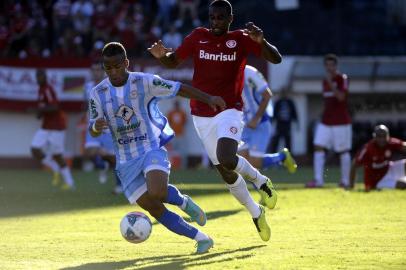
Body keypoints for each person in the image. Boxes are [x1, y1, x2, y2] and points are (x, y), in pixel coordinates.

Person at [148, 0, 282, 242]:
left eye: (221, 17)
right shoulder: (198, 37)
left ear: (231, 18)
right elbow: (173, 60)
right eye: (213, 17)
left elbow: (276, 59)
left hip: (229, 109)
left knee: (228, 157)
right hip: (201, 113)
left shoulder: (241, 38)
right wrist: (162, 55)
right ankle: (255, 211)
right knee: (226, 172)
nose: (216, 21)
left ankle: (261, 180)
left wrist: (263, 41)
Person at [90, 42, 226, 253]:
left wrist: (209, 99)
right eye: (109, 68)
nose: (114, 72)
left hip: (149, 148)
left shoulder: (144, 82)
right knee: (154, 208)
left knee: (158, 192)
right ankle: (201, 238)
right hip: (125, 161)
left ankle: (183, 202)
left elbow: (178, 88)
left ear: (126, 63)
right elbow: (93, 129)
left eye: (117, 66)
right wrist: (96, 127)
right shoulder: (98, 94)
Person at [238, 65, 297, 173]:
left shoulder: (249, 72)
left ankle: (282, 156)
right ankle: (256, 187)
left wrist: (256, 118)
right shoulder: (225, 74)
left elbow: (267, 95)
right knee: (242, 163)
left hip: (259, 123)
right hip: (242, 125)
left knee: (254, 162)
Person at [306, 54, 352, 188]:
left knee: (343, 151)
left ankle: (345, 181)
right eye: (327, 65)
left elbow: (341, 97)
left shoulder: (343, 78)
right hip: (326, 120)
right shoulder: (324, 81)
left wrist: (331, 83)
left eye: (332, 65)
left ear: (336, 66)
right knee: (318, 146)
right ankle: (318, 180)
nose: (330, 67)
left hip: (341, 121)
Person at [30, 68, 75, 190]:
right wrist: (39, 113)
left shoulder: (48, 89)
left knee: (58, 155)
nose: (39, 79)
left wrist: (38, 110)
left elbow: (55, 107)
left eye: (41, 76)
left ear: (45, 77)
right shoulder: (40, 90)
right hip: (46, 126)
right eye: (37, 77)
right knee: (34, 149)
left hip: (57, 126)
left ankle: (70, 183)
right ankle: (54, 168)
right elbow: (43, 107)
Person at [83, 61, 122, 194]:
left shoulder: (109, 85)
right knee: (89, 152)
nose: (96, 72)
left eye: (98, 70)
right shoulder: (87, 86)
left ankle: (118, 185)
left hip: (108, 126)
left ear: (103, 71)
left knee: (115, 158)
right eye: (93, 70)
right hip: (93, 125)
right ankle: (102, 165)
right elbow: (86, 104)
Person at [349, 125, 406, 191]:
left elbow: (403, 145)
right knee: (403, 184)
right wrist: (351, 186)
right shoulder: (368, 148)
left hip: (388, 169)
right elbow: (354, 164)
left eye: (384, 136)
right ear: (374, 137)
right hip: (376, 181)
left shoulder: (390, 142)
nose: (382, 139)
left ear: (388, 136)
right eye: (379, 136)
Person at [270, 87, 298, 153]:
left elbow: (294, 112)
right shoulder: (278, 102)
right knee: (276, 140)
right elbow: (274, 113)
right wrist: (272, 122)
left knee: (288, 141)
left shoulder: (290, 102)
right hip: (279, 124)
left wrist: (296, 122)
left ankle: (289, 156)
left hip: (287, 125)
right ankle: (273, 154)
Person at [167, 99, 188, 168]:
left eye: (177, 104)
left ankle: (183, 165)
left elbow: (185, 122)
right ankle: (170, 165)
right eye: (175, 104)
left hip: (180, 134)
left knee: (182, 150)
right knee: (171, 151)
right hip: (172, 135)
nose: (176, 106)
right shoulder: (171, 113)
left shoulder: (182, 113)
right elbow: (168, 122)